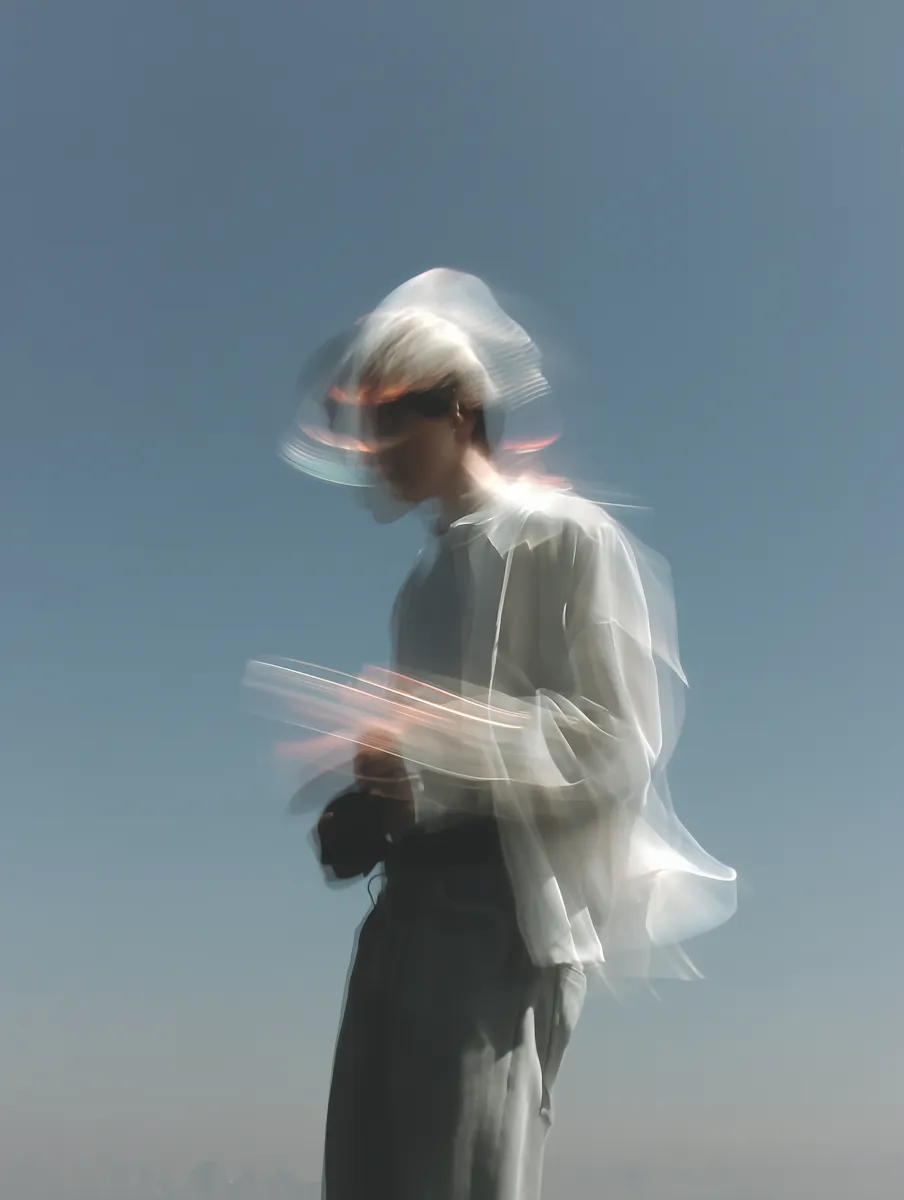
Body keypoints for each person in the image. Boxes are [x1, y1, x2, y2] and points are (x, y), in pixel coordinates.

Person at [245, 269, 736, 1200]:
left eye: (395, 418)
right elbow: (442, 769)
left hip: (499, 927)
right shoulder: (419, 589)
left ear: (462, 410)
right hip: (403, 918)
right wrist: (375, 813)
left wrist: (423, 750)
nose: (376, 447)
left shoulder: (570, 540)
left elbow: (615, 740)